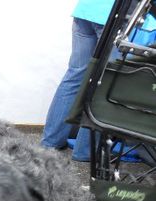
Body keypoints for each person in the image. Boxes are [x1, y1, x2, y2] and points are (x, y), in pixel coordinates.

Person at [41, 0, 115, 162]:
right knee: (106, 82)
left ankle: (51, 142)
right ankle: (85, 150)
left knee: (75, 76)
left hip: (86, 11)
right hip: (113, 16)